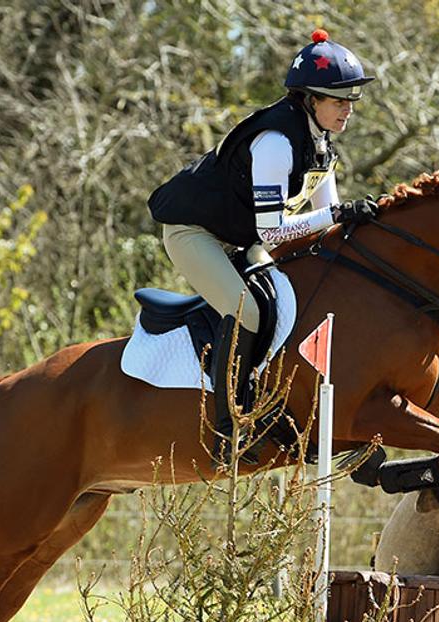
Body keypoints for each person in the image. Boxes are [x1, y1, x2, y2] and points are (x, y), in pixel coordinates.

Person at [147, 29, 379, 460]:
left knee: (296, 297)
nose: (348, 109)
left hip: (242, 236)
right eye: (338, 100)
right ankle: (227, 428)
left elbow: (327, 223)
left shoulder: (320, 143)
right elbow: (276, 231)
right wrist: (339, 214)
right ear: (310, 99)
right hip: (193, 233)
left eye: (351, 100)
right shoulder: (275, 142)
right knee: (249, 311)